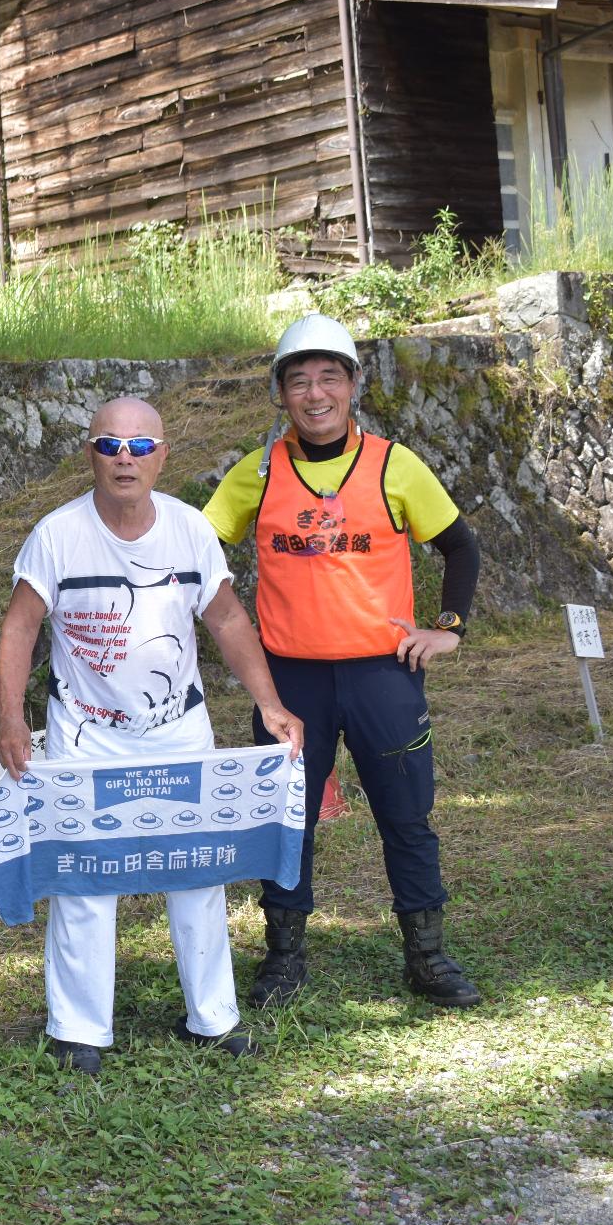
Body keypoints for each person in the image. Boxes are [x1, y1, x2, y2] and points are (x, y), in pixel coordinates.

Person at [0, 397, 304, 1074]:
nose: (124, 458)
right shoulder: (56, 535)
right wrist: (11, 718)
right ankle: (80, 1030)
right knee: (84, 876)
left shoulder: (191, 531)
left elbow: (225, 620)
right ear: (90, 456)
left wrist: (270, 703)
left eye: (138, 447)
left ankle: (213, 1019)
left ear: (163, 456)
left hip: (175, 729)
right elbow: (19, 626)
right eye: (109, 445)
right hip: (85, 733)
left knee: (200, 870)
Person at [203, 313, 484, 1008]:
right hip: (290, 680)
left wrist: (448, 625)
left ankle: (428, 956)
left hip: (382, 675)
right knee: (284, 821)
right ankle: (283, 961)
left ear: (355, 383)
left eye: (330, 376)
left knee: (406, 816)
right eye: (299, 380)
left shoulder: (394, 464)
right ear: (281, 395)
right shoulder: (259, 471)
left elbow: (461, 546)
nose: (315, 392)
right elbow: (197, 548)